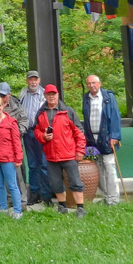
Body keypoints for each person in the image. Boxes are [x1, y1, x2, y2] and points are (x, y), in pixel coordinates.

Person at [34, 85, 87, 218]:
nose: (51, 96)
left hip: (68, 154)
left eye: (54, 94)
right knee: (56, 183)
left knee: (75, 182)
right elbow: (37, 131)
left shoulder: (68, 111)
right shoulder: (40, 114)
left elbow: (79, 132)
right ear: (45, 96)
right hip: (51, 156)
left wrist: (80, 150)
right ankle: (62, 206)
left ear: (58, 95)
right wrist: (43, 137)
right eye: (49, 94)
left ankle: (80, 208)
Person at [81, 75, 123, 206]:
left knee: (109, 167)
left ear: (99, 84)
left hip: (106, 137)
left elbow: (116, 116)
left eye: (94, 83)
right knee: (98, 168)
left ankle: (113, 199)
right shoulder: (86, 98)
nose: (91, 85)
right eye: (89, 83)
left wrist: (115, 136)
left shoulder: (108, 97)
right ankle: (106, 197)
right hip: (92, 138)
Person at [19, 70, 50, 205]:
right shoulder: (23, 94)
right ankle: (34, 193)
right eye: (31, 80)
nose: (33, 82)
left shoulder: (44, 95)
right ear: (27, 81)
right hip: (28, 133)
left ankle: (46, 195)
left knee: (43, 164)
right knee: (32, 165)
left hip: (41, 133)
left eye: (35, 80)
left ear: (39, 80)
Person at [0, 82, 28, 208]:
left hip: (15, 144)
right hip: (1, 146)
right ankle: (10, 200)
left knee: (18, 173)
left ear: (9, 95)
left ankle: (23, 201)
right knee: (5, 173)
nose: (1, 97)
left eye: (3, 95)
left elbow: (24, 120)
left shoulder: (17, 105)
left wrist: (17, 133)